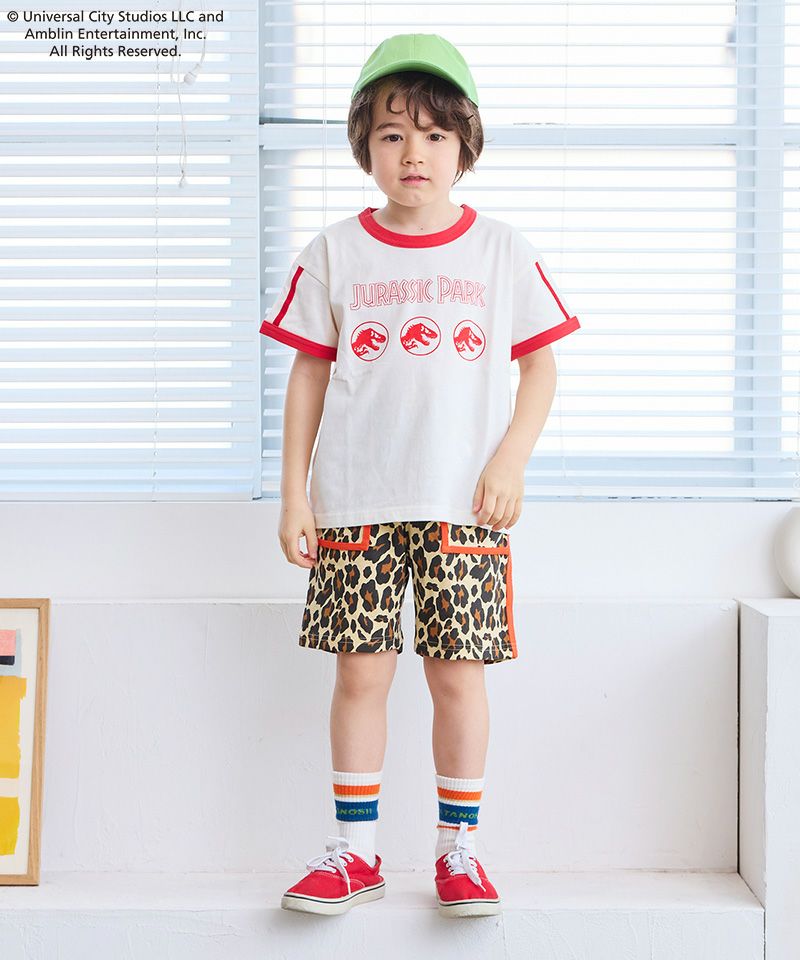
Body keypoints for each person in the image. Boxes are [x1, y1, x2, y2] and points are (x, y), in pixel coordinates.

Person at [260, 33, 581, 919]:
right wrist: (293, 496)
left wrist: (511, 458)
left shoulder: (501, 251)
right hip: (354, 502)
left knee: (456, 675)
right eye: (393, 134)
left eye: (436, 135)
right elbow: (309, 375)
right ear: (364, 146)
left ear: (464, 145)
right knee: (360, 675)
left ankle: (459, 851)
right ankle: (355, 852)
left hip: (463, 506)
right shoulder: (335, 251)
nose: (414, 153)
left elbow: (540, 366)